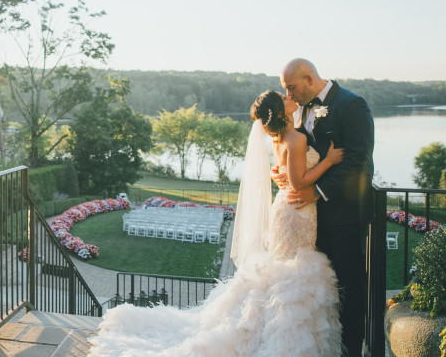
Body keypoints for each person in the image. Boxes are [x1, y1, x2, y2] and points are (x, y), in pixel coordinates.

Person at [89, 90, 344, 357]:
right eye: (283, 95)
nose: (288, 95)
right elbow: (299, 182)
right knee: (290, 272)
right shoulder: (296, 136)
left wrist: (276, 171)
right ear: (280, 111)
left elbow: (286, 167)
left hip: (288, 208)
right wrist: (328, 161)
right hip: (296, 210)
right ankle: (277, 331)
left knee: (282, 271)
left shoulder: (284, 135)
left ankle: (268, 325)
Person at [278, 58, 374, 357]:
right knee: (320, 290)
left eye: (291, 88)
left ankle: (351, 351)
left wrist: (316, 191)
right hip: (314, 221)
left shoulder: (352, 105)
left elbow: (358, 163)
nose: (289, 96)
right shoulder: (305, 108)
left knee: (348, 289)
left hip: (344, 217)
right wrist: (283, 171)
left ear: (309, 78)